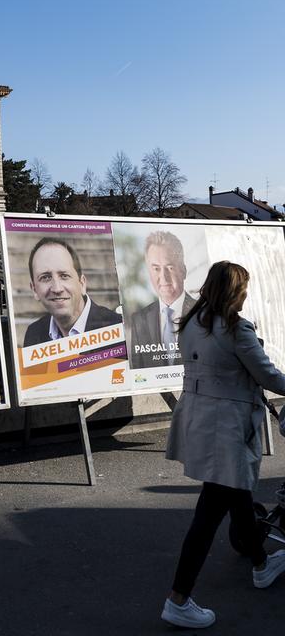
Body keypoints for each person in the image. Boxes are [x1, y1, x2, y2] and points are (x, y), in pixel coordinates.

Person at [161, 261, 285, 629]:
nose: (246, 294)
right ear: (234, 291)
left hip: (200, 421)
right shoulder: (236, 329)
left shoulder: (191, 325)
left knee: (238, 495)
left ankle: (262, 564)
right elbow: (268, 376)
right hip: (226, 429)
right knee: (210, 511)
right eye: (243, 288)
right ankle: (178, 599)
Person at [23, 237, 121, 347]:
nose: (57, 289)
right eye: (45, 277)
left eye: (64, 276)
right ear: (34, 290)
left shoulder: (117, 327)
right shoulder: (33, 334)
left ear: (82, 283)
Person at [129, 231, 197, 369]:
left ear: (183, 271)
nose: (163, 277)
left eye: (170, 267)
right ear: (149, 272)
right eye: (156, 269)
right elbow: (138, 370)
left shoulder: (203, 313)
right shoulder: (139, 320)